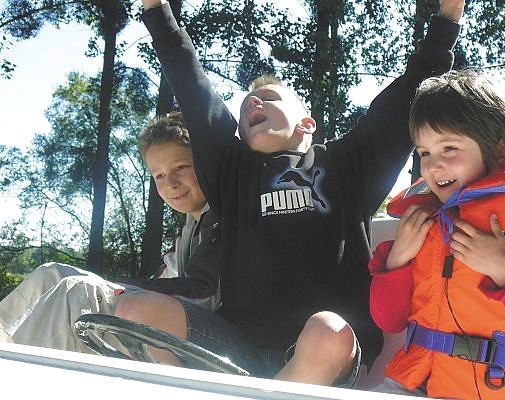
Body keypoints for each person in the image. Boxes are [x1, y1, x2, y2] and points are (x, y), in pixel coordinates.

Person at [141, 0, 464, 387]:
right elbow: (190, 83)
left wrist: (447, 19)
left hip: (327, 350)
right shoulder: (230, 173)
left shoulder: (347, 165)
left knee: (326, 330)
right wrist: (157, 10)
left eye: (270, 99)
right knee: (137, 308)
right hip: (237, 347)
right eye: (245, 107)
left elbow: (406, 97)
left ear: (306, 123)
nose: (254, 103)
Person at [369, 70, 505, 399]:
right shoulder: (422, 221)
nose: (433, 166)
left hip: (493, 388)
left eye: (449, 148)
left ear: (503, 149)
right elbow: (389, 321)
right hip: (410, 384)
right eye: (424, 153)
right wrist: (398, 259)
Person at [0, 112, 221, 359]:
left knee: (78, 291)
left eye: (180, 168)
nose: (170, 183)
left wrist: (119, 288)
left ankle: (17, 369)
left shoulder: (221, 218)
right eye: (159, 175)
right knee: (51, 274)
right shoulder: (190, 228)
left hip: (210, 335)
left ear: (204, 163)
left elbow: (205, 295)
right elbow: (162, 278)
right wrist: (118, 287)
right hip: (179, 317)